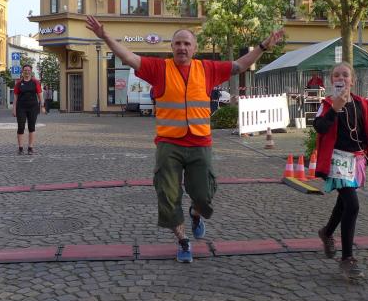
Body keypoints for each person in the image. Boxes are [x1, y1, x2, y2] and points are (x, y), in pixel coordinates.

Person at [86, 14, 284, 263]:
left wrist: (263, 46)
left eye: (186, 43)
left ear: (195, 48)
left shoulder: (207, 69)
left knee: (204, 194)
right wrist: (105, 36)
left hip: (200, 143)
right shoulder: (159, 68)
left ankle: (195, 214)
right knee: (168, 196)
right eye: (178, 43)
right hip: (169, 144)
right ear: (171, 47)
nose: (182, 47)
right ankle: (183, 241)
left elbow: (239, 66)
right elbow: (129, 57)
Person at [314, 62, 368, 280]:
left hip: (356, 160)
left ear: (352, 80)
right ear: (331, 80)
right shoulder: (327, 104)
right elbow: (319, 127)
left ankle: (326, 232)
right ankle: (347, 258)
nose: (341, 78)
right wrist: (335, 109)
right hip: (337, 160)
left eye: (345, 75)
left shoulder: (362, 103)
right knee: (352, 205)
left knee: (343, 203)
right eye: (336, 75)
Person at [13, 64, 46, 154]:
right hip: (21, 108)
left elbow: (40, 96)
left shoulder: (35, 82)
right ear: (22, 72)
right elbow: (15, 97)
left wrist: (42, 106)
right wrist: (14, 109)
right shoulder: (19, 83)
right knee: (21, 127)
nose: (27, 72)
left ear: (31, 72)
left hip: (33, 108)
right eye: (25, 70)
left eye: (28, 70)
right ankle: (20, 148)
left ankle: (30, 148)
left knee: (31, 127)